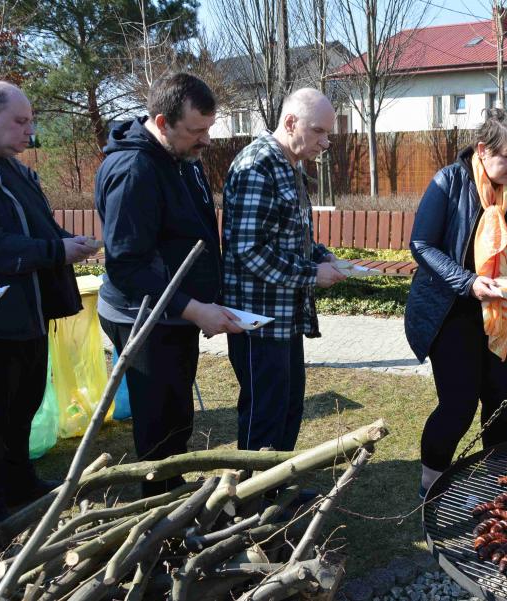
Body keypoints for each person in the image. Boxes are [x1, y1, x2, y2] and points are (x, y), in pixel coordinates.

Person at [405, 108, 507, 499]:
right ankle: (431, 486)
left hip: (504, 312)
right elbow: (422, 245)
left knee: (501, 399)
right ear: (482, 150)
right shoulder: (448, 182)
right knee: (459, 405)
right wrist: (468, 282)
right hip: (452, 312)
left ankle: (493, 483)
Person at [96, 73, 242, 496]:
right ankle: (157, 509)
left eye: (209, 128)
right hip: (142, 317)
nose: (207, 141)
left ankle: (173, 495)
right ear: (162, 122)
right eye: (197, 131)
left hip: (173, 313)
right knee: (159, 422)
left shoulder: (181, 159)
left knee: (176, 413)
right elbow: (128, 266)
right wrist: (195, 309)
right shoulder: (133, 170)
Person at [0, 82, 99, 519]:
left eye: (31, 121)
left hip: (33, 316)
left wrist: (66, 240)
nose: (29, 131)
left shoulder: (17, 170)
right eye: (20, 122)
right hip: (1, 322)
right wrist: (57, 251)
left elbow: (40, 229)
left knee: (25, 403)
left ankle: (21, 483)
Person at [223, 88, 345, 452]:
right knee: (265, 412)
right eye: (319, 131)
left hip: (285, 314)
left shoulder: (288, 164)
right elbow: (249, 250)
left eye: (328, 134)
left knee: (289, 406)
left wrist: (322, 256)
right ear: (290, 123)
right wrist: (311, 274)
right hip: (257, 319)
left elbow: (287, 235)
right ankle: (250, 500)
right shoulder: (257, 165)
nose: (325, 143)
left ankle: (276, 491)